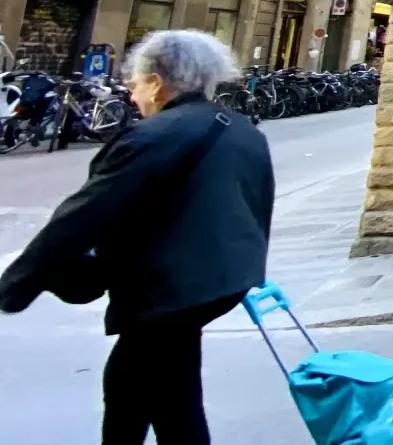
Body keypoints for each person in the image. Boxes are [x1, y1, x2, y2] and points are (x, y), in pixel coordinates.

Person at [0, 30, 273, 445]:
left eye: (135, 85)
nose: (131, 98)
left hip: (171, 289)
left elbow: (82, 215)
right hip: (219, 282)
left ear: (157, 82)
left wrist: (14, 286)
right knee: (171, 393)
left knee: (132, 391)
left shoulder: (154, 136)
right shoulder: (242, 130)